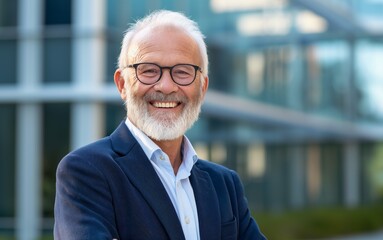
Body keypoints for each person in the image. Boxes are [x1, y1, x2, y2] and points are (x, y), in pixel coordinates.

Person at [54, 10, 266, 240]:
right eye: (149, 71)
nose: (166, 86)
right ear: (122, 84)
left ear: (202, 88)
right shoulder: (86, 172)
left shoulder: (225, 185)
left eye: (183, 72)